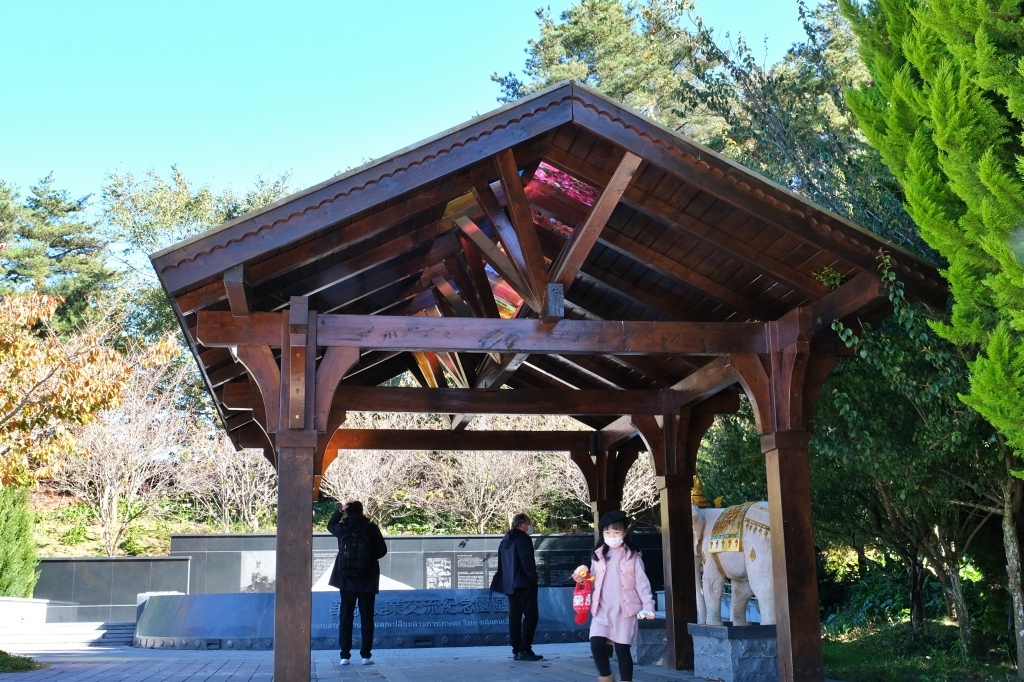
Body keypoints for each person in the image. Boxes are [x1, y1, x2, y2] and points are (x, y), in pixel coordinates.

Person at [572, 510, 656, 682]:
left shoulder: (633, 556)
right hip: (602, 609)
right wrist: (583, 578)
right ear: (602, 533)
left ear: (624, 533)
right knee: (596, 644)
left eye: (616, 532)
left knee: (622, 650)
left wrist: (648, 605)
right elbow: (593, 579)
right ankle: (606, 677)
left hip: (624, 611)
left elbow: (642, 584)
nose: (611, 536)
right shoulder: (598, 554)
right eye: (607, 532)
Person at [327, 500, 388, 666]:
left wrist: (340, 510)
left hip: (346, 579)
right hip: (367, 580)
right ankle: (366, 655)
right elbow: (382, 550)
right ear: (362, 511)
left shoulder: (342, 528)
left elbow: (330, 524)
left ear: (348, 512)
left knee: (346, 616)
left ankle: (344, 655)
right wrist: (367, 558)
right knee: (367, 617)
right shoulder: (370, 527)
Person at [490, 512, 543, 661]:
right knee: (531, 616)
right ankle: (525, 649)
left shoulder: (506, 540)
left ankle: (516, 649)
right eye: (528, 523)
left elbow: (501, 564)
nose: (530, 526)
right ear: (521, 525)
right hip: (524, 584)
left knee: (515, 617)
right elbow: (527, 562)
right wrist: (533, 580)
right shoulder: (522, 539)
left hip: (510, 584)